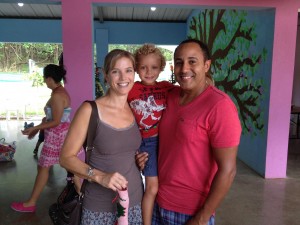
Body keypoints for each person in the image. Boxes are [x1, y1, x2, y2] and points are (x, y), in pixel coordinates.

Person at [136, 39, 242, 225]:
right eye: (179, 62)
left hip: (190, 212)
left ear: (206, 65)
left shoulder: (220, 106)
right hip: (158, 202)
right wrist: (142, 155)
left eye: (192, 61)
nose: (184, 69)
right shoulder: (169, 96)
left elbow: (228, 170)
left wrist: (201, 219)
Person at [59, 49, 143, 225]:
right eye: (115, 71)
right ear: (106, 75)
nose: (123, 77)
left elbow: (126, 150)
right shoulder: (90, 110)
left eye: (128, 70)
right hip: (99, 206)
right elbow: (65, 158)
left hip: (134, 200)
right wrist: (100, 176)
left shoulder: (134, 108)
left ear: (134, 73)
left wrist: (140, 159)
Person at [11, 64, 71, 213]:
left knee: (47, 167)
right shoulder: (58, 92)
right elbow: (50, 117)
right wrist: (37, 128)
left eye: (45, 78)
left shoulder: (57, 95)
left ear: (50, 78)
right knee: (50, 166)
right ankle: (83, 191)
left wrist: (35, 128)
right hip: (57, 135)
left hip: (56, 136)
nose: (44, 81)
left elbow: (56, 121)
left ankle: (31, 203)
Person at [127, 44, 173, 225]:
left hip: (167, 142)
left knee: (164, 186)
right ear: (137, 68)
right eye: (143, 67)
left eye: (154, 67)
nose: (148, 72)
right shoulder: (132, 88)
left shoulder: (167, 87)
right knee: (152, 188)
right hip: (146, 143)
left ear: (161, 67)